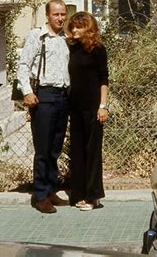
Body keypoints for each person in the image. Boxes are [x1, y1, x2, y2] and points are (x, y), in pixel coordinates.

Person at [17, 0, 70, 214]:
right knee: (43, 147)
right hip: (44, 96)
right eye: (56, 14)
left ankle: (50, 189)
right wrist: (27, 92)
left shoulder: (67, 39)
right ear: (47, 16)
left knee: (55, 146)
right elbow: (23, 66)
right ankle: (40, 195)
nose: (60, 18)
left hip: (63, 96)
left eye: (63, 14)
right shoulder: (37, 37)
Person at [66, 11, 109, 210]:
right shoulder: (72, 48)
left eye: (79, 26)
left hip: (93, 108)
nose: (74, 30)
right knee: (77, 151)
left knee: (92, 152)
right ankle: (79, 193)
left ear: (88, 28)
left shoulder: (98, 50)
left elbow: (104, 80)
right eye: (73, 26)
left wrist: (103, 106)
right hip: (74, 107)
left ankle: (93, 196)